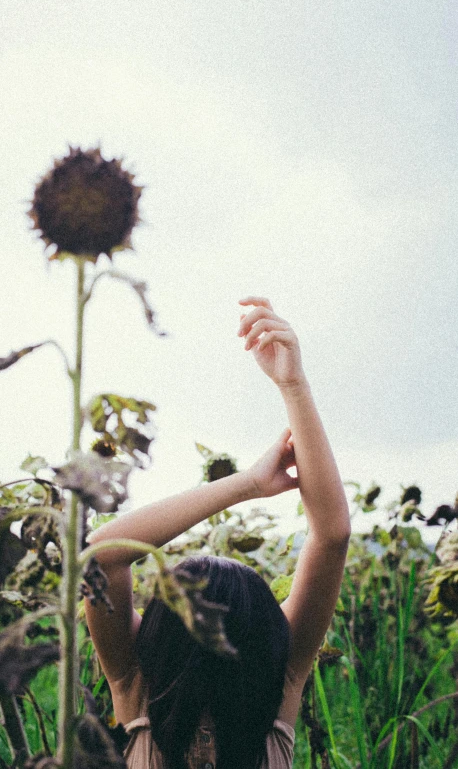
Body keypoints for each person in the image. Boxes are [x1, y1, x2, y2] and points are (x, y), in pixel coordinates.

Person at [85, 296, 351, 769]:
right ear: (267, 638)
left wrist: (246, 484)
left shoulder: (135, 685)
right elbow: (331, 536)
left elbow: (102, 556)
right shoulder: (279, 685)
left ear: (162, 632)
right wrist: (292, 385)